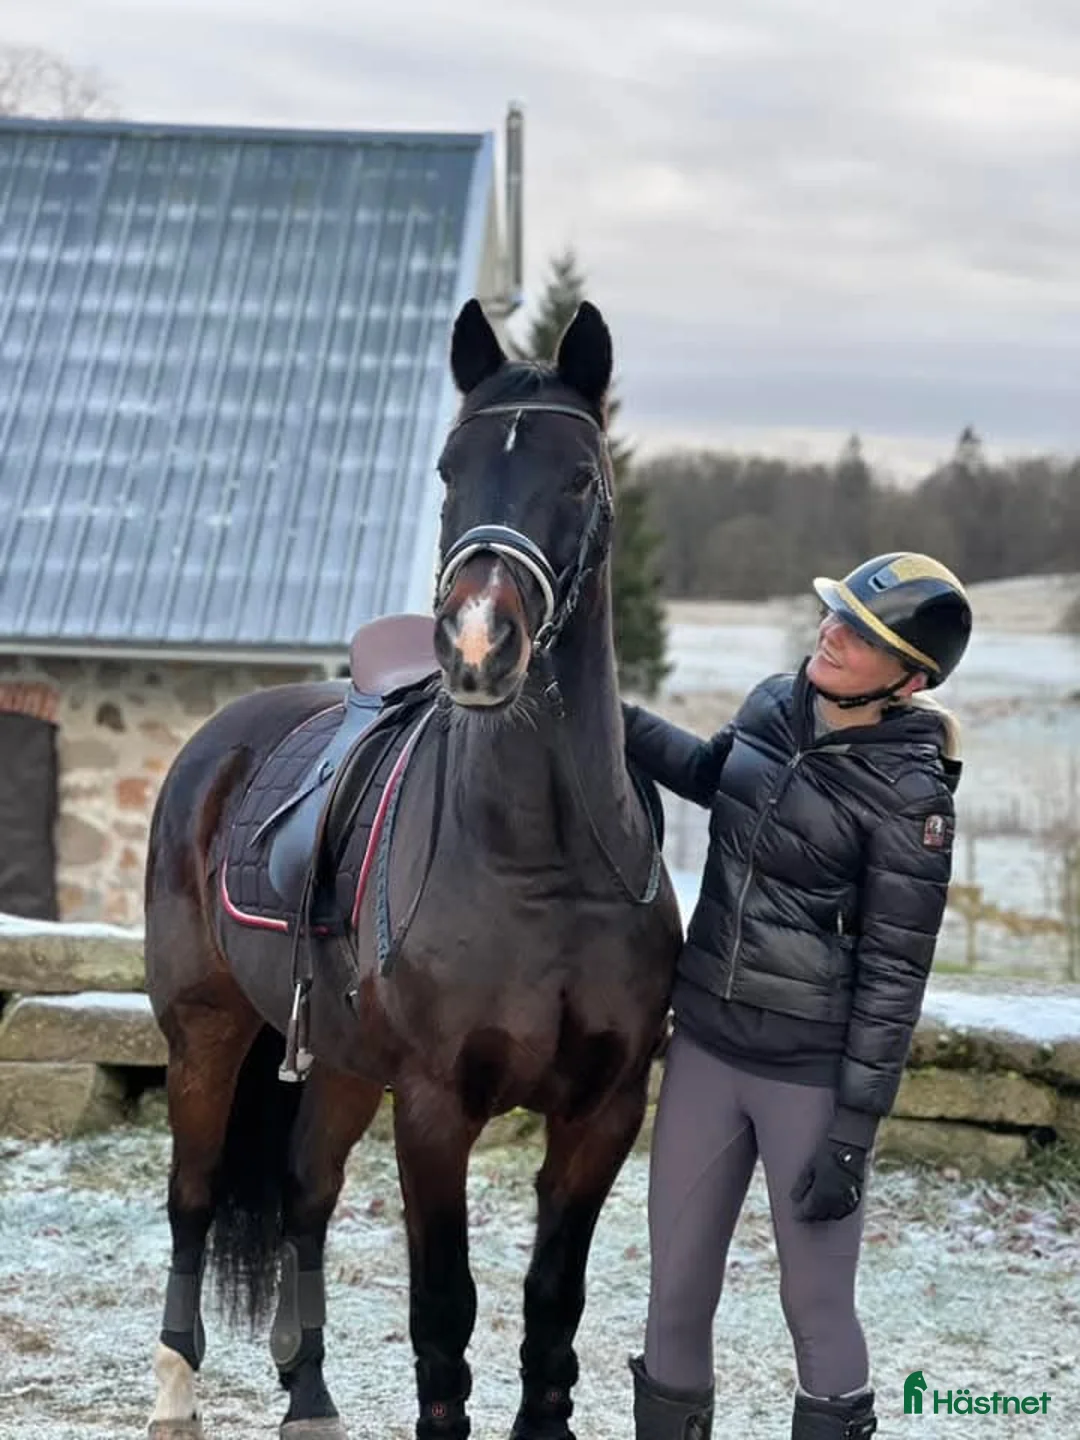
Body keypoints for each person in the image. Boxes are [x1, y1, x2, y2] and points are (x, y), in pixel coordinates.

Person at [622, 553, 972, 1440]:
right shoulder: (773, 704)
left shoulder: (912, 797)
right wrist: (613, 718)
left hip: (808, 1077)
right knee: (675, 1295)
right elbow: (711, 774)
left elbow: (897, 975)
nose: (833, 634)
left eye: (860, 633)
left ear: (908, 676)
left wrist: (852, 1136)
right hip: (705, 1045)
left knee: (815, 1308)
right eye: (835, 615)